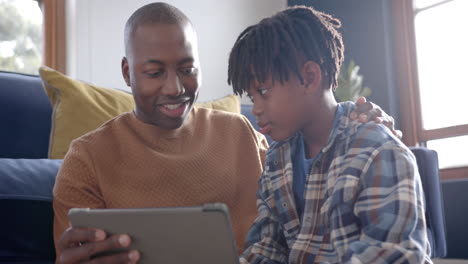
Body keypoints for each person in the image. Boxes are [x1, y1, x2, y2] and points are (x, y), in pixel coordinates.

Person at [53, 2, 401, 264]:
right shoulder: (86, 159)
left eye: (187, 69)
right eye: (155, 72)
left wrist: (357, 124)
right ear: (128, 72)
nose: (175, 88)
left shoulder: (245, 134)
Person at [227, 5, 431, 264]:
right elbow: (268, 246)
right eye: (251, 96)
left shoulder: (377, 152)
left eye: (264, 91)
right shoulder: (277, 160)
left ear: (310, 77)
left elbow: (393, 255)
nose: (255, 109)